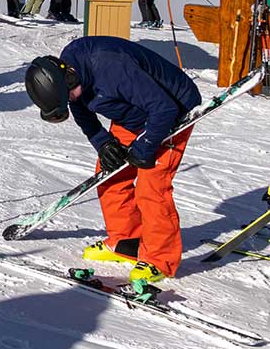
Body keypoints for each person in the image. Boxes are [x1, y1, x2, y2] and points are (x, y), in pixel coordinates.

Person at [24, 37, 202, 287]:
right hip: (133, 113)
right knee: (109, 176)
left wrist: (147, 145)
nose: (72, 101)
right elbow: (82, 111)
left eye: (69, 96)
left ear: (70, 78)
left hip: (171, 114)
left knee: (152, 186)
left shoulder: (111, 67)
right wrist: (103, 143)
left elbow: (163, 109)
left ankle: (160, 259)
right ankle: (126, 241)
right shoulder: (71, 75)